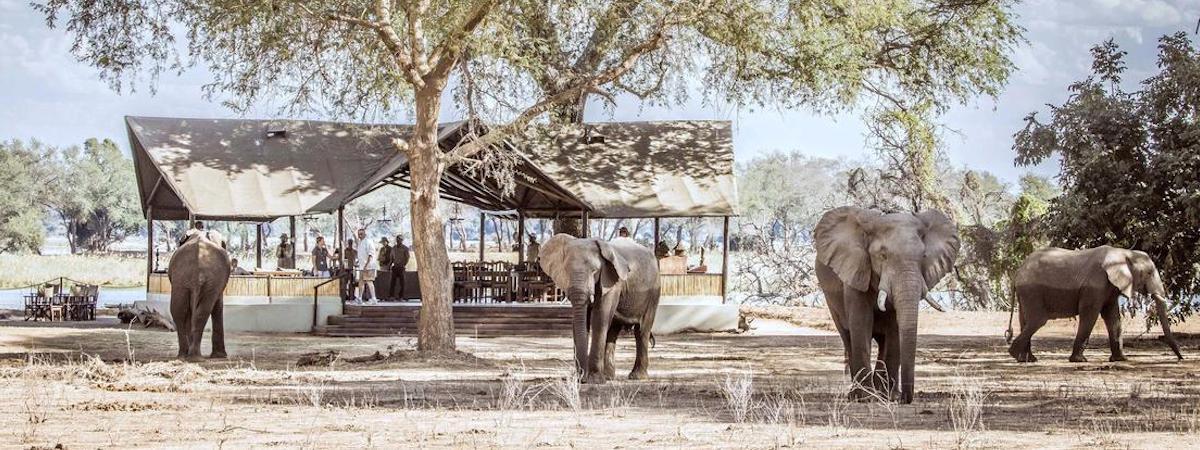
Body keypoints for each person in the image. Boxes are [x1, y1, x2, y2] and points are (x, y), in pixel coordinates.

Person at [355, 229, 378, 304]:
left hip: (369, 266)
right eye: (359, 234)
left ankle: (374, 298)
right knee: (361, 282)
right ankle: (359, 298)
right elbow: (361, 254)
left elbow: (370, 254)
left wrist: (366, 265)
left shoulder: (368, 242)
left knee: (369, 281)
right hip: (362, 266)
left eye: (361, 234)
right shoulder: (360, 242)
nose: (360, 235)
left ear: (365, 234)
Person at [389, 235, 410, 300]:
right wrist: (389, 265)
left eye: (400, 239)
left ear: (402, 240)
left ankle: (401, 296)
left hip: (401, 267)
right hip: (395, 267)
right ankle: (391, 296)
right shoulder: (394, 248)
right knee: (392, 282)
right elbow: (391, 258)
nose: (398, 240)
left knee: (402, 283)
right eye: (397, 239)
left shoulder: (405, 248)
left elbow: (407, 257)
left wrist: (403, 264)